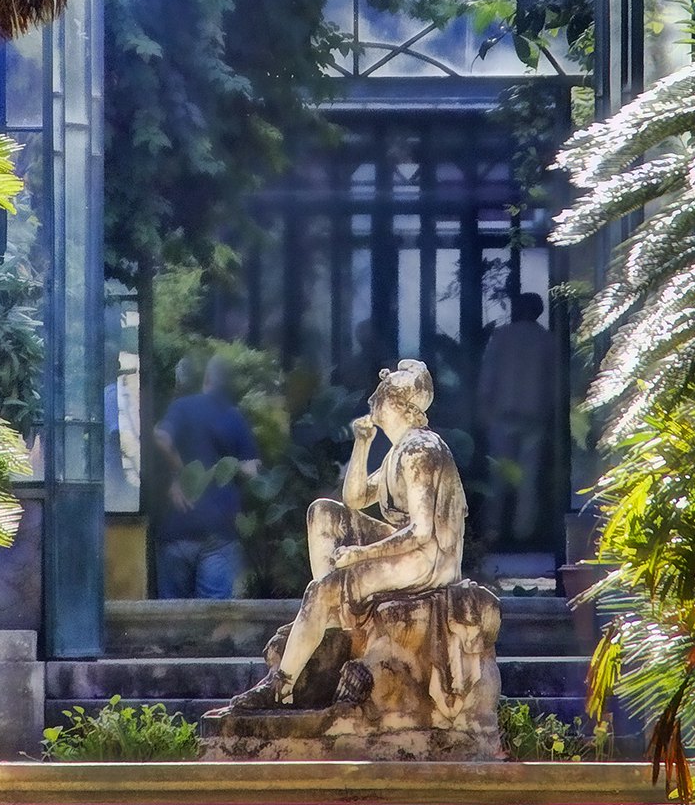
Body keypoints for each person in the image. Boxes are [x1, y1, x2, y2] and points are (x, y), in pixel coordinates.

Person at [271, 358, 464, 700]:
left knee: (322, 591)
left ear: (399, 404)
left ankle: (281, 686)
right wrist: (362, 444)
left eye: (381, 392)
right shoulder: (398, 451)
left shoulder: (420, 451)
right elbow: (355, 498)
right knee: (323, 512)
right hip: (409, 547)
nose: (373, 397)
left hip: (429, 559)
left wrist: (362, 554)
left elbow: (422, 531)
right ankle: (332, 608)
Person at [153, 355, 259, 599]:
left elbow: (161, 437)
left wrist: (179, 474)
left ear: (207, 379)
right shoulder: (235, 417)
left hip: (178, 526)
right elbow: (253, 471)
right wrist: (230, 467)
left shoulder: (182, 407)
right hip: (219, 531)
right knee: (213, 615)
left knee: (171, 616)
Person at [477, 292, 557, 551]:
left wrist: (484, 409)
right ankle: (523, 533)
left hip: (502, 415)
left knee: (498, 476)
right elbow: (554, 383)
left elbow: (488, 376)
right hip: (534, 417)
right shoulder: (547, 340)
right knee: (528, 480)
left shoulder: (501, 336)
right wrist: (551, 413)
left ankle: (492, 530)